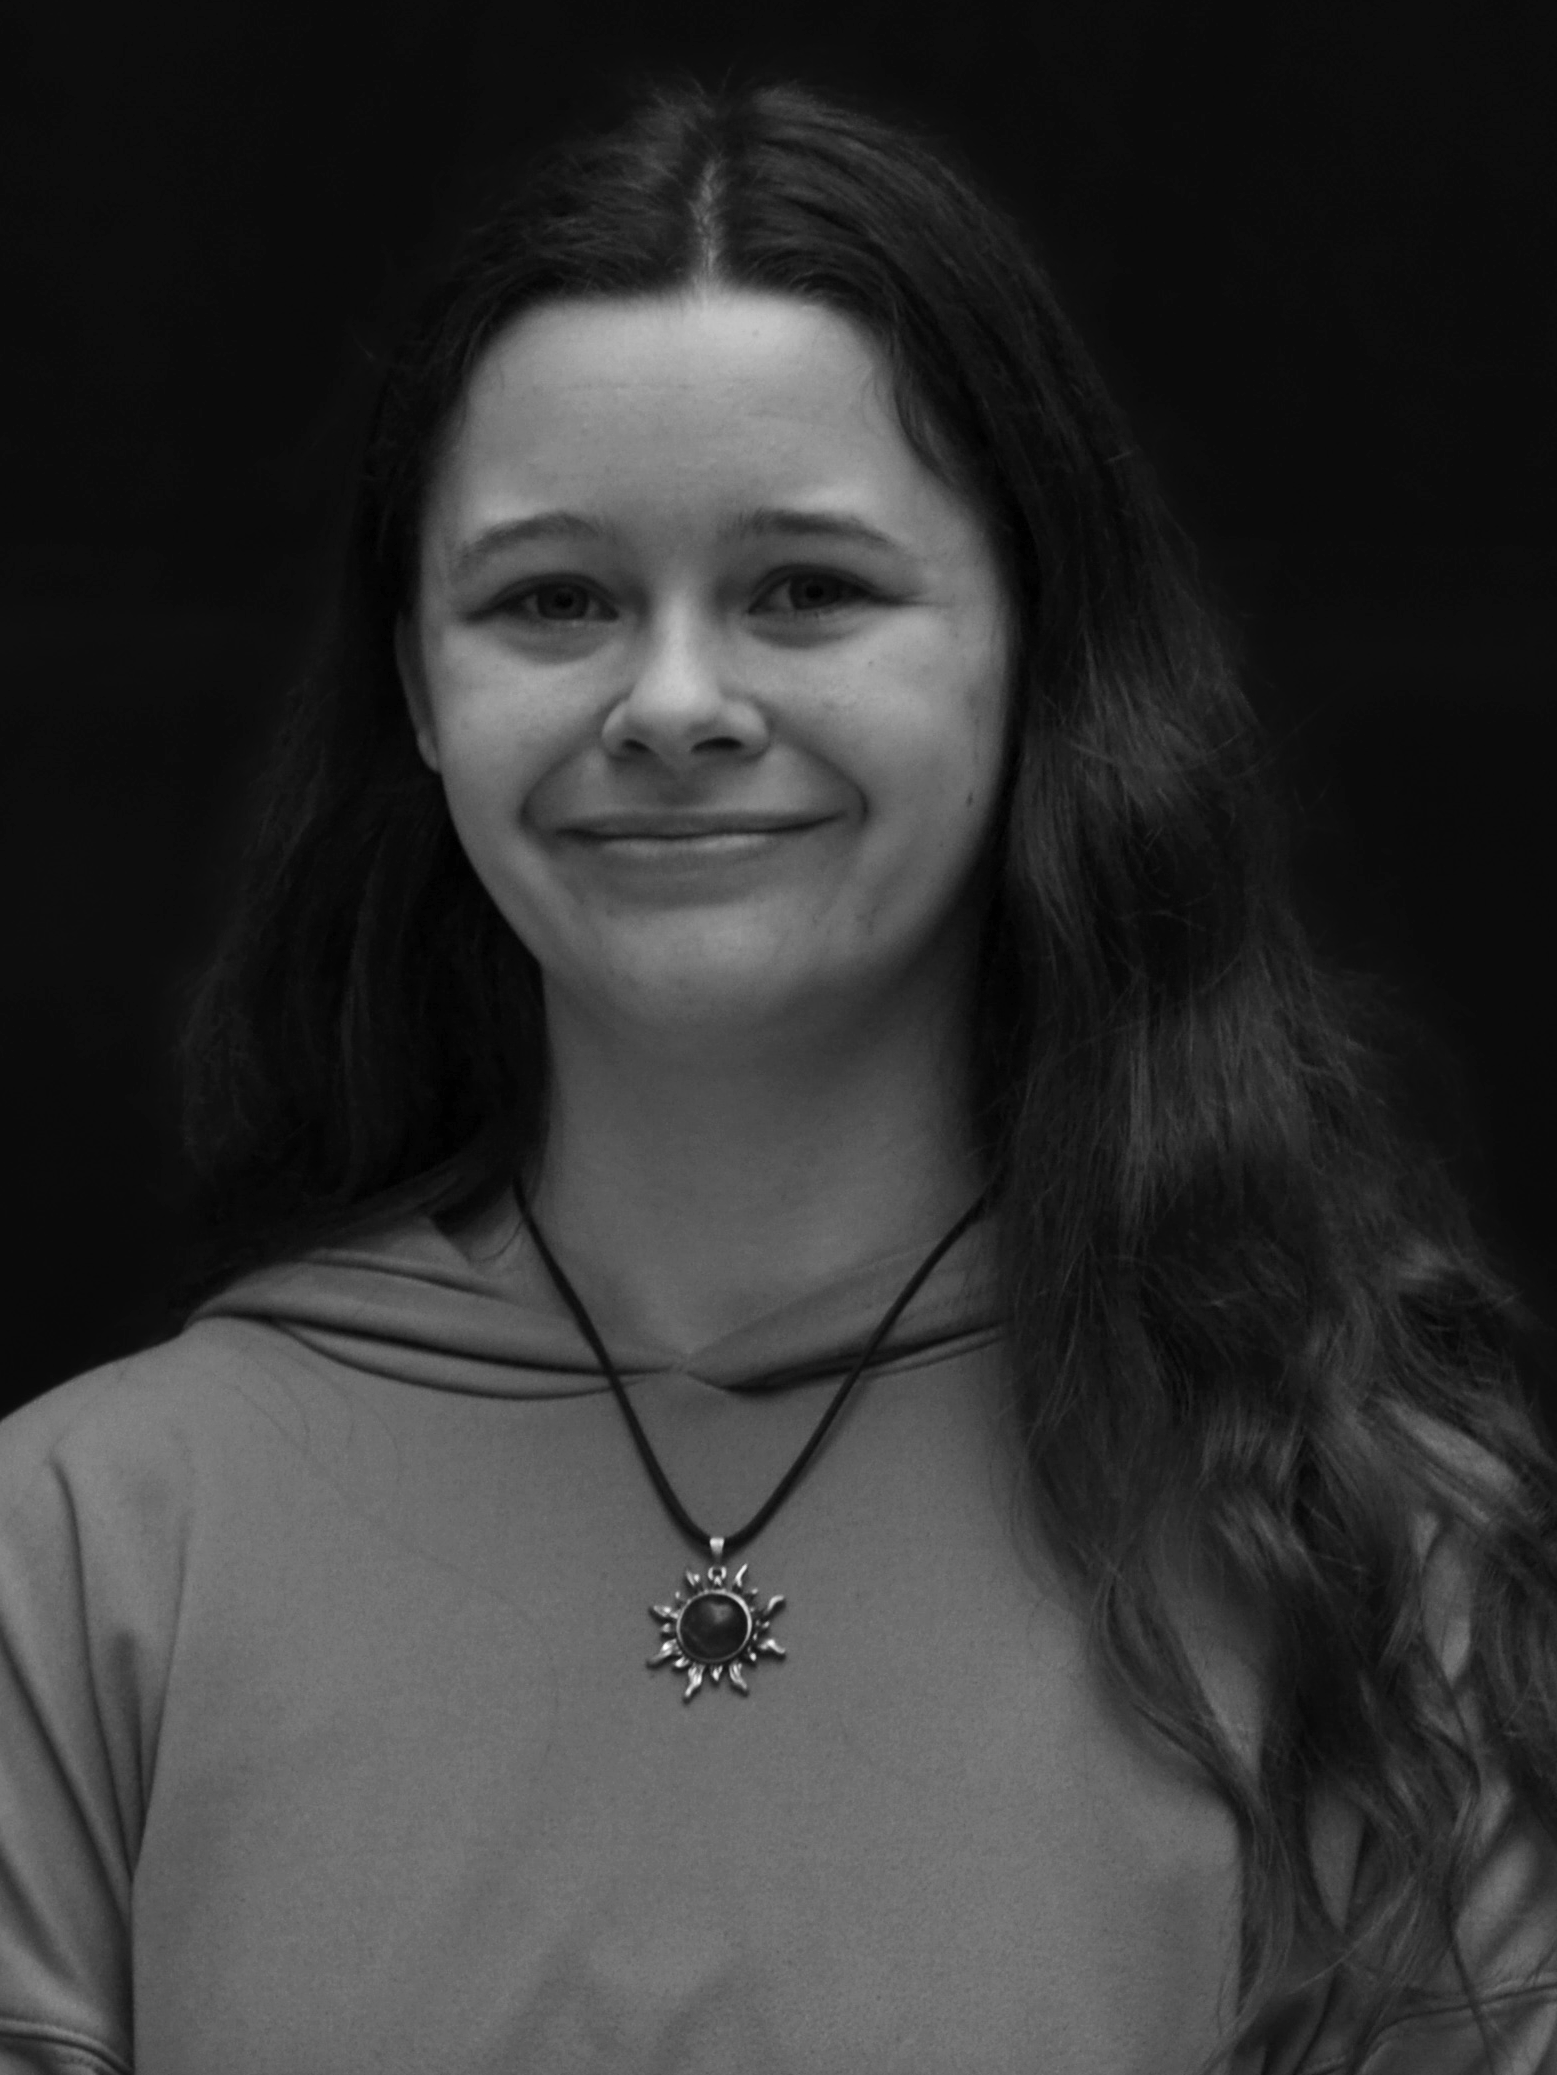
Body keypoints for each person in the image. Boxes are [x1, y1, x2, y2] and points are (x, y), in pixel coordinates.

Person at [1, 70, 1554, 2075]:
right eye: (550, 598)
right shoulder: (86, 1540)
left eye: (805, 588)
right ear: (418, 687)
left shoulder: (1376, 1552)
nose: (669, 701)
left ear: (1036, 650)